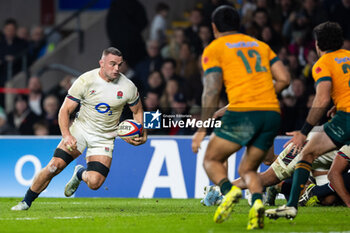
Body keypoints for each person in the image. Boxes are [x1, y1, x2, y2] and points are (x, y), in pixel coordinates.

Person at [11, 47, 147, 211]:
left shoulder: (128, 87)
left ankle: (79, 173)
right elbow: (64, 111)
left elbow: (138, 111)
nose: (117, 69)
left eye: (119, 64)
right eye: (112, 64)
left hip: (104, 137)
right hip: (80, 130)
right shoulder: (85, 81)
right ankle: (26, 201)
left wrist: (141, 132)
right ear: (101, 63)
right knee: (55, 166)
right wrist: (66, 135)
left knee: (95, 183)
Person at [191, 6, 290, 230]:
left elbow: (211, 90)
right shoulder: (260, 45)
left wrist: (202, 128)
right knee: (249, 169)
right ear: (239, 24)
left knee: (212, 160)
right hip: (271, 113)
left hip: (244, 114)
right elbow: (284, 79)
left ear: (214, 27)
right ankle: (256, 205)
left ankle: (229, 191)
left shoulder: (214, 48)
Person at [265, 22, 350, 219]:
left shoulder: (323, 63)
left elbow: (321, 99)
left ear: (318, 44)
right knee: (309, 154)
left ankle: (291, 205)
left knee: (307, 152)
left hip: (346, 119)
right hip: (344, 114)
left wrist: (303, 131)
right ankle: (291, 205)